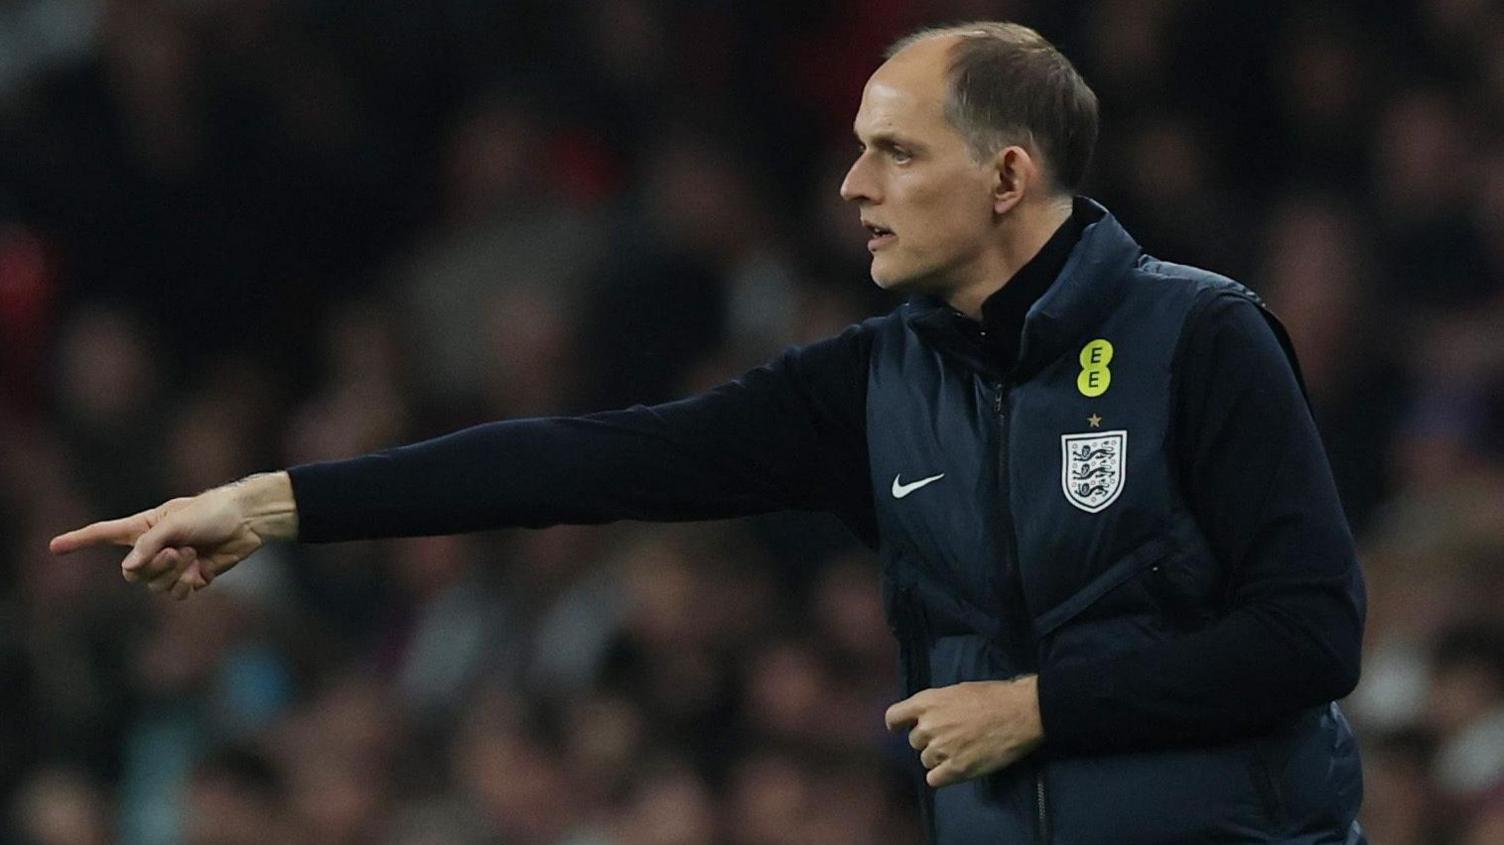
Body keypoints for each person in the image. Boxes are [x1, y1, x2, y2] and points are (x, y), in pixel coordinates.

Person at [51, 21, 1367, 844]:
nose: (852, 185)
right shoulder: (866, 386)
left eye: (896, 153)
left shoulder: (1201, 339)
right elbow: (593, 457)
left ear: (1009, 175)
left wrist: (1044, 706)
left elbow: (1312, 634)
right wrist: (279, 503)